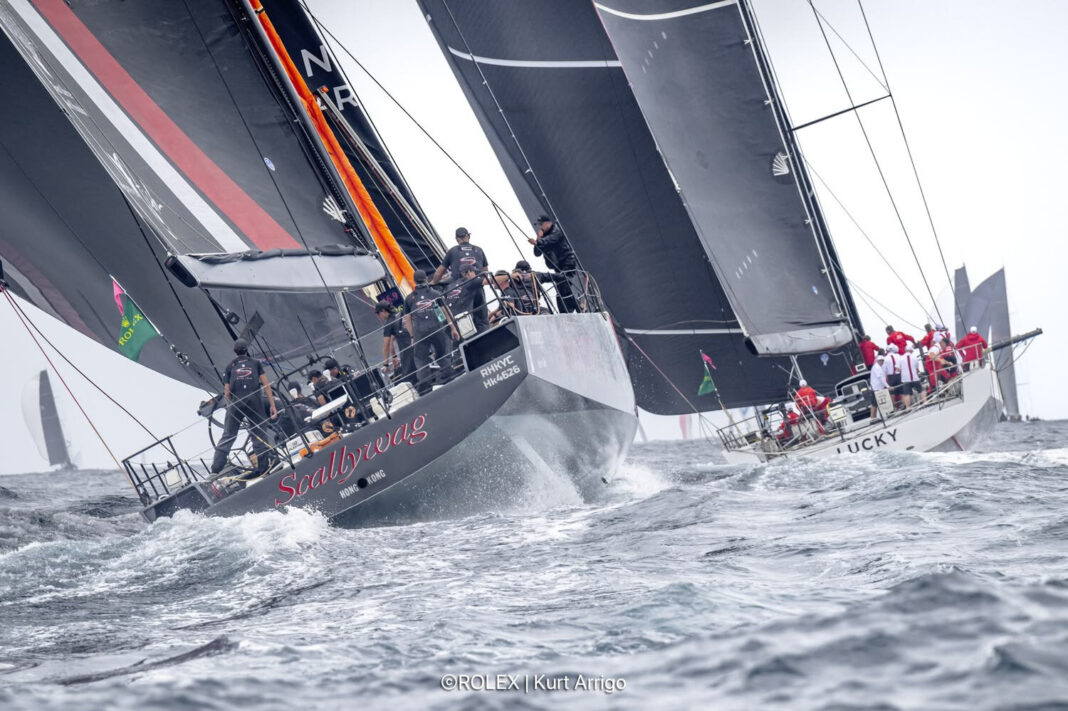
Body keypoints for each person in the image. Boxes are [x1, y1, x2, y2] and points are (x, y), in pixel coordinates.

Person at [210, 338, 277, 476]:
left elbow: (227, 393)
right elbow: (266, 385)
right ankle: (264, 469)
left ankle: (215, 470)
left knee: (228, 435)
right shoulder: (256, 363)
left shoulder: (230, 366)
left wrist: (231, 410)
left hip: (236, 404)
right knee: (259, 434)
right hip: (254, 401)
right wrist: (272, 405)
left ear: (235, 352)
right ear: (247, 350)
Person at [404, 269, 458, 394]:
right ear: (426, 279)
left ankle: (426, 388)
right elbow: (443, 312)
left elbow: (408, 320)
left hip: (420, 332)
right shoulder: (435, 293)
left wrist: (412, 336)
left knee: (421, 359)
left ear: (414, 281)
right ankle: (450, 378)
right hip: (437, 328)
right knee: (442, 354)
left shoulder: (409, 299)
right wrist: (453, 328)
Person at [528, 215, 582, 312]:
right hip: (557, 267)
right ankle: (566, 311)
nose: (540, 227)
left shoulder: (556, 231)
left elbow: (551, 240)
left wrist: (540, 241)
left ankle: (578, 305)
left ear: (548, 223)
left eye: (541, 224)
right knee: (560, 289)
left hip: (567, 262)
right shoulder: (542, 238)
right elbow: (537, 253)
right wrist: (538, 238)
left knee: (565, 284)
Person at [376, 302, 415, 384]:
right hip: (419, 343)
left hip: (407, 351)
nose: (378, 316)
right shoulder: (402, 313)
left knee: (409, 377)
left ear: (383, 311)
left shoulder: (389, 323)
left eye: (378, 313)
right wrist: (394, 356)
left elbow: (386, 345)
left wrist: (386, 364)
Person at [898, 343, 926, 408]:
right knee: (921, 390)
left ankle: (908, 407)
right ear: (911, 351)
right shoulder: (914, 357)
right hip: (914, 377)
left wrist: (903, 370)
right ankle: (925, 402)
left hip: (905, 379)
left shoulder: (901, 358)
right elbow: (917, 369)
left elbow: (897, 369)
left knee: (907, 394)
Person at [868, 352, 889, 419]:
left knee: (875, 404)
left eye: (882, 361)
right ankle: (872, 418)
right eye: (881, 361)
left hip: (877, 388)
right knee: (874, 404)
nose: (882, 362)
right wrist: (887, 386)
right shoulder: (877, 368)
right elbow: (881, 378)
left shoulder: (876, 367)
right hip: (875, 389)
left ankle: (874, 417)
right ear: (878, 361)